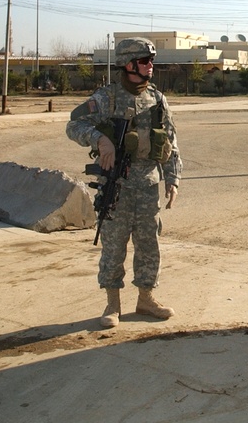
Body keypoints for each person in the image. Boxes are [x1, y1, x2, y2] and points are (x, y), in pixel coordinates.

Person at [66, 37, 182, 327]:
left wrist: (173, 178)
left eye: (151, 60)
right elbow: (74, 124)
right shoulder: (106, 98)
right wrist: (100, 139)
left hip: (148, 185)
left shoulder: (157, 99)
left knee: (149, 244)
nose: (150, 65)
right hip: (116, 187)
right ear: (128, 64)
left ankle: (146, 299)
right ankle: (112, 304)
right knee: (114, 246)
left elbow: (170, 141)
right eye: (144, 61)